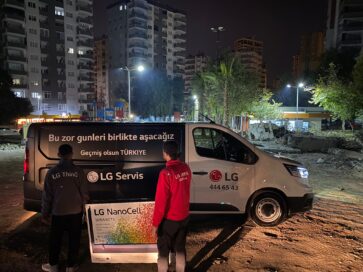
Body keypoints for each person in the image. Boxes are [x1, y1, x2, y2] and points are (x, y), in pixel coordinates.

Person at [41, 144, 89, 272]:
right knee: (74, 239)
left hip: (58, 212)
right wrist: (85, 212)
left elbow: (47, 196)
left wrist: (44, 214)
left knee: (55, 240)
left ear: (58, 155)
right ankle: (70, 266)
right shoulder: (78, 171)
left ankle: (53, 266)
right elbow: (84, 194)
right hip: (75, 212)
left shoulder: (52, 173)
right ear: (71, 154)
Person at [152, 140, 192, 272]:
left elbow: (161, 201)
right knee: (180, 248)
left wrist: (156, 224)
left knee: (163, 251)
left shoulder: (166, 173)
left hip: (169, 220)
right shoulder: (186, 168)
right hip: (184, 217)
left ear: (165, 153)